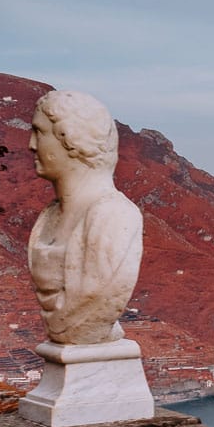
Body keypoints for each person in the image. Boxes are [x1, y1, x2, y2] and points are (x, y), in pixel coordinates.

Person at [26, 90, 143, 346]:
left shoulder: (114, 216)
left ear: (70, 139)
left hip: (84, 345)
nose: (31, 145)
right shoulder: (48, 217)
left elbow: (98, 297)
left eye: (39, 132)